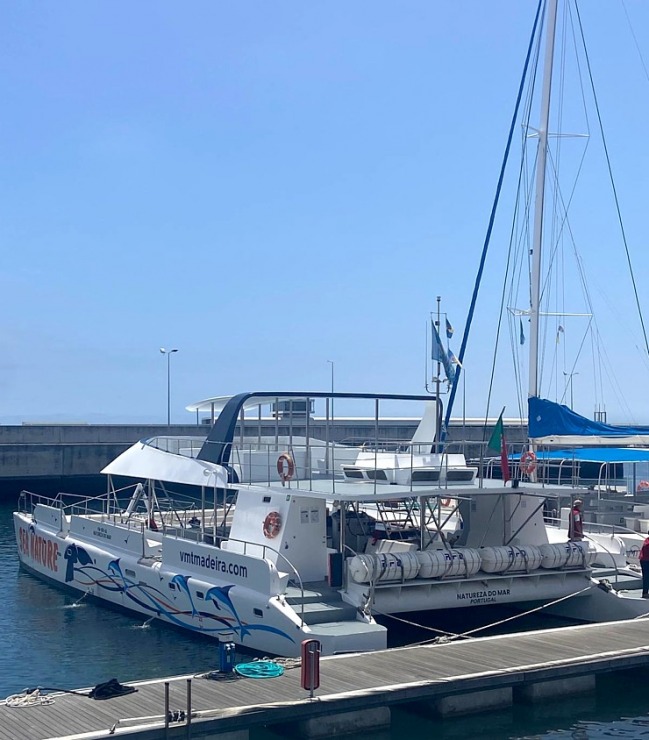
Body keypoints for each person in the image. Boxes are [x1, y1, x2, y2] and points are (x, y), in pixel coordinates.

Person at [639, 532, 649, 599]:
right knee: (646, 577)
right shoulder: (647, 543)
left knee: (646, 577)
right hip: (646, 560)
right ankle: (645, 593)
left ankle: (645, 593)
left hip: (644, 560)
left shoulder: (647, 540)